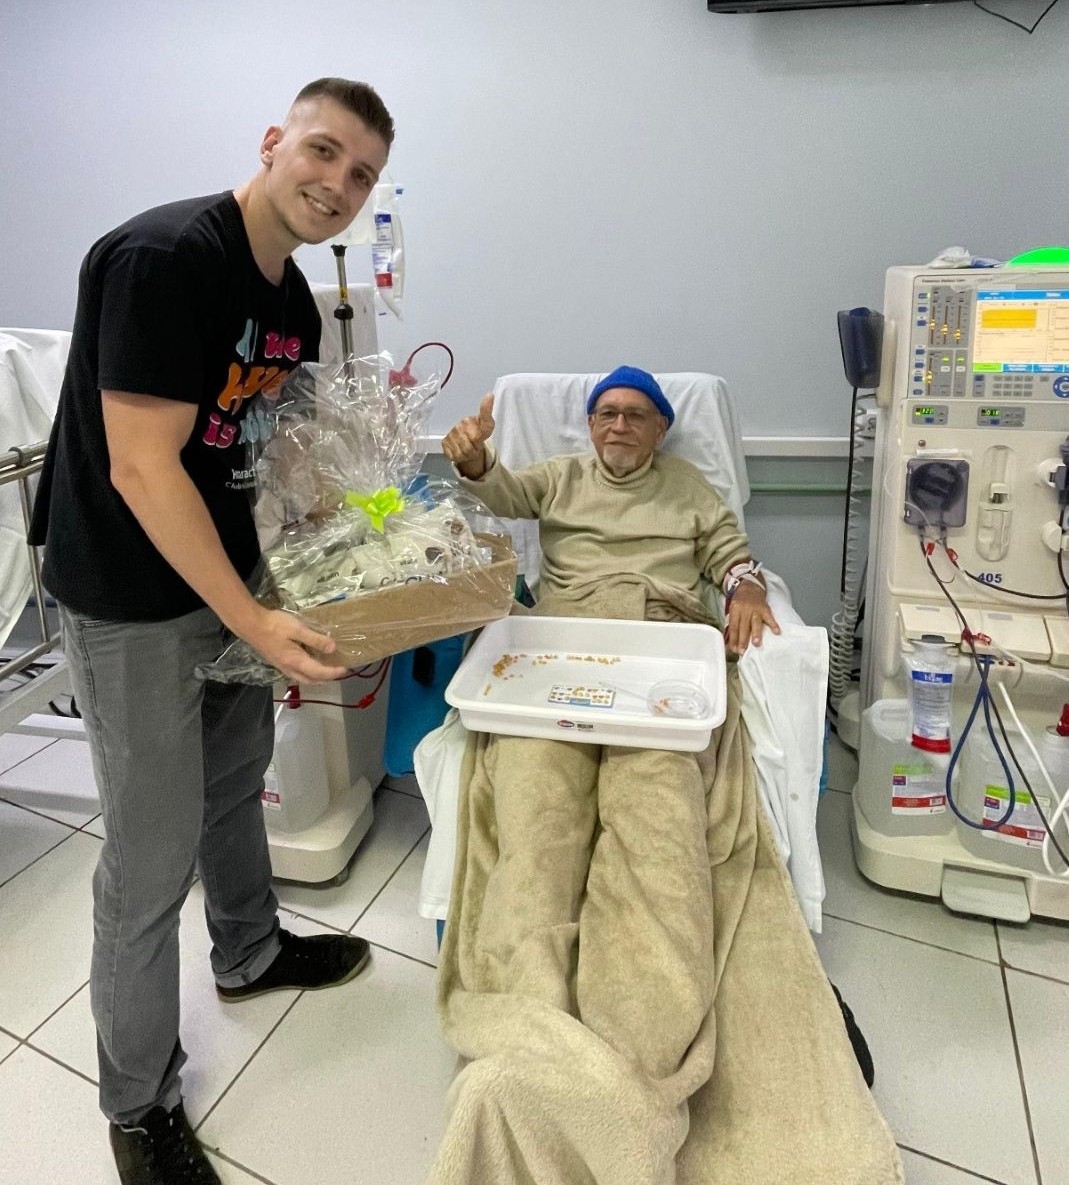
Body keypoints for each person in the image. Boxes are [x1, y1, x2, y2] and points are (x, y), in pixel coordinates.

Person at [28, 78, 394, 1185]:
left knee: (234, 781)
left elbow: (270, 449)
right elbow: (143, 467)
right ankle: (137, 1105)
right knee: (147, 858)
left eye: (362, 175)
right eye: (322, 151)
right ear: (274, 141)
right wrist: (256, 621)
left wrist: (361, 541)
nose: (336, 184)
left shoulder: (290, 302)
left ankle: (249, 949)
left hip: (227, 577)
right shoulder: (163, 259)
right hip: (129, 593)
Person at [438, 366, 779, 1079]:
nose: (618, 425)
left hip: (659, 649)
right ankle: (525, 1018)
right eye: (606, 414)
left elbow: (731, 556)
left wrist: (746, 588)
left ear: (660, 429)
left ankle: (643, 1022)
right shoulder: (559, 476)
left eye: (635, 415)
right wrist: (472, 459)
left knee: (655, 815)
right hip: (562, 644)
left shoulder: (688, 487)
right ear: (590, 426)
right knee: (537, 814)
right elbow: (502, 491)